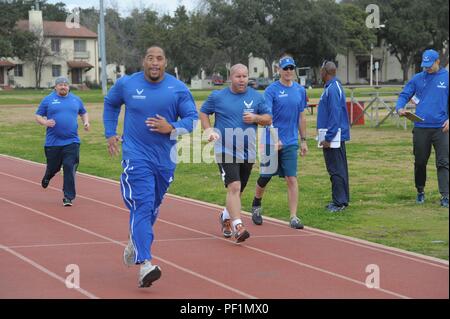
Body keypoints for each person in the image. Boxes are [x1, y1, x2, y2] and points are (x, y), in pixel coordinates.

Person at [103, 46, 198, 288]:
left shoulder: (177, 88)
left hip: (165, 161)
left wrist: (172, 127)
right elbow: (111, 103)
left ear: (165, 62)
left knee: (152, 207)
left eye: (159, 59)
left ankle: (136, 242)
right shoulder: (127, 84)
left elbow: (193, 120)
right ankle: (145, 264)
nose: (154, 63)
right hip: (136, 156)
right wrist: (110, 133)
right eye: (149, 58)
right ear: (143, 61)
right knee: (143, 204)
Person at [200, 64, 272, 243]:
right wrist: (209, 130)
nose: (242, 80)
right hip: (225, 149)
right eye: (238, 76)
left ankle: (225, 216)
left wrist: (255, 118)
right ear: (230, 78)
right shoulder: (218, 97)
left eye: (245, 76)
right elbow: (203, 112)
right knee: (234, 187)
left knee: (237, 193)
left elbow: (268, 118)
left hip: (248, 152)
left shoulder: (256, 97)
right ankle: (238, 226)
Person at [250, 55, 308, 229]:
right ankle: (256, 204)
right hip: (271, 141)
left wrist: (303, 140)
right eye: (285, 68)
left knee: (291, 177)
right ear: (279, 70)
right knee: (266, 176)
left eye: (291, 68)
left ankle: (293, 216)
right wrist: (276, 139)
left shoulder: (299, 90)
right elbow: (268, 118)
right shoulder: (271, 91)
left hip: (290, 142)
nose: (289, 71)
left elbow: (301, 116)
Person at [396, 49, 449, 208]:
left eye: (429, 65)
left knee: (443, 162)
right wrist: (399, 108)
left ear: (437, 61)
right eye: (424, 65)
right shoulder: (417, 78)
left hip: (441, 129)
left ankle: (445, 195)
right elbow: (404, 95)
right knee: (419, 162)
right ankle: (420, 191)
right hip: (420, 127)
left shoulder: (447, 77)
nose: (426, 68)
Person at [35, 76, 90, 207]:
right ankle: (48, 175)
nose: (63, 87)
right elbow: (38, 115)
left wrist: (86, 122)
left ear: (68, 87)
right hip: (53, 142)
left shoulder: (76, 99)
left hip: (72, 141)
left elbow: (83, 112)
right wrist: (45, 122)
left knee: (69, 167)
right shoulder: (48, 100)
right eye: (61, 85)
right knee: (53, 167)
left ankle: (68, 197)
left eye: (65, 85)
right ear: (56, 87)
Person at [317, 61, 350, 213]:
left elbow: (335, 114)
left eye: (321, 70)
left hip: (334, 137)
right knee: (338, 168)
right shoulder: (330, 87)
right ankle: (341, 199)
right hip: (332, 135)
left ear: (326, 72)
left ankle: (339, 202)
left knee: (336, 169)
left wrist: (329, 137)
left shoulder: (333, 88)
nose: (319, 73)